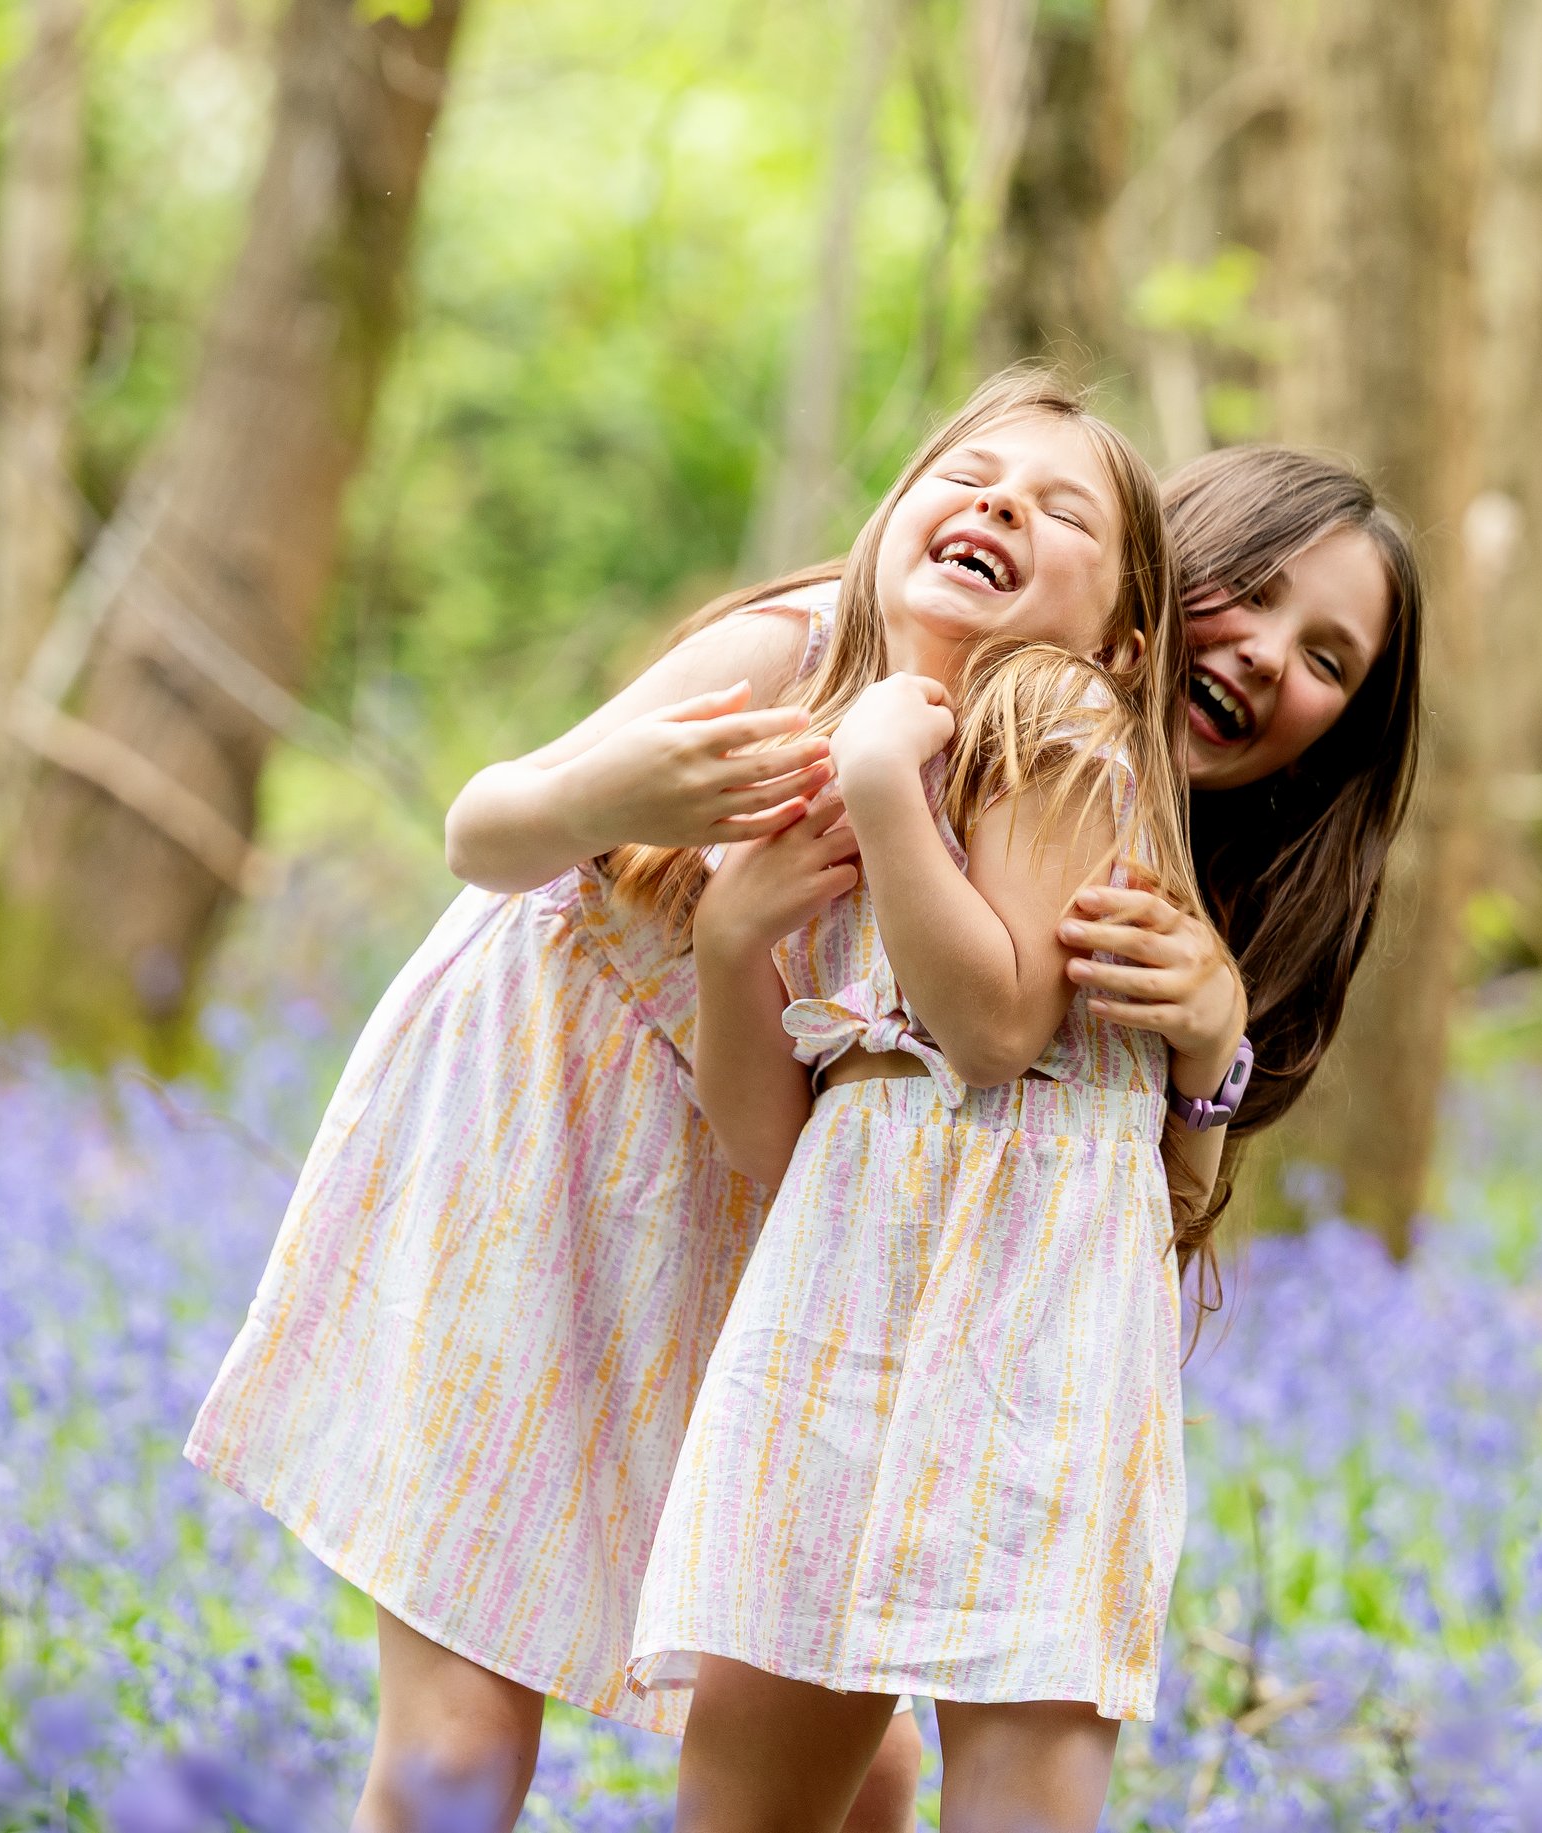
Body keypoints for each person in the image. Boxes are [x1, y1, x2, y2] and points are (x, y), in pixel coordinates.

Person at [184, 395, 1419, 1829]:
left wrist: (1213, 1046)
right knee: (471, 1705)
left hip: (809, 1200)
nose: (1266, 653)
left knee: (845, 1715)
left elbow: (1124, 1175)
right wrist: (631, 796)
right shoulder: (832, 649)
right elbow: (494, 832)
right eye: (1250, 592)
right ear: (1157, 579)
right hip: (553, 1126)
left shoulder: (1124, 810)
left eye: (1328, 657)